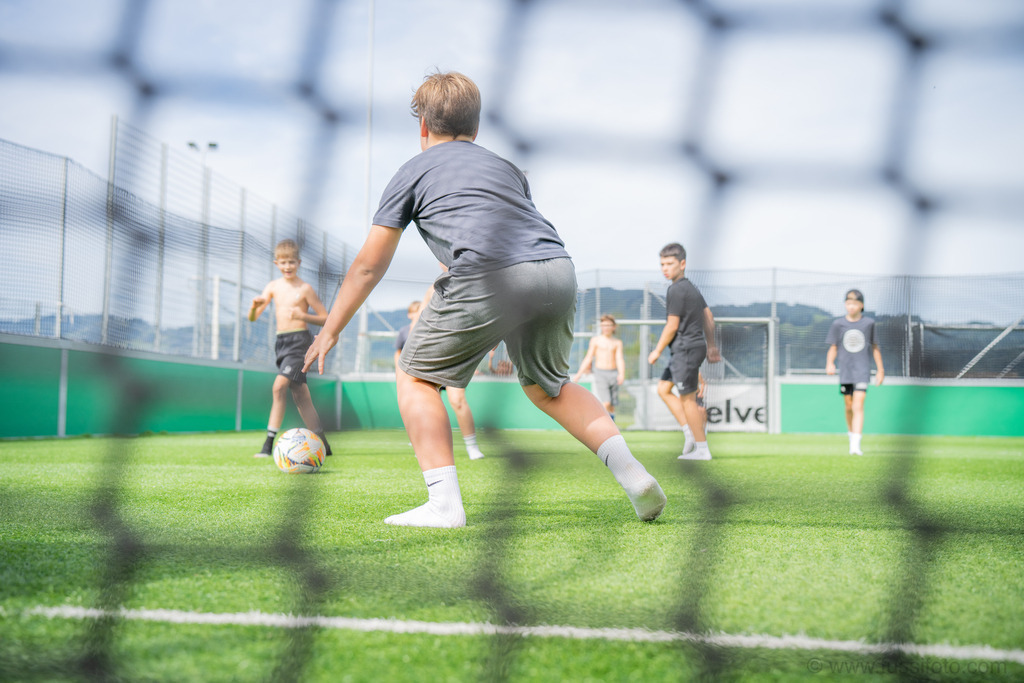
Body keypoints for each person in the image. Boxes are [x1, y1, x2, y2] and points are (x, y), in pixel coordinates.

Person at [304, 70, 665, 528]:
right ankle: (633, 475)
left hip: (490, 275)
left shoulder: (412, 170)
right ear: (475, 128)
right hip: (556, 268)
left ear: (422, 127)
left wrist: (331, 328)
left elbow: (369, 266)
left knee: (415, 378)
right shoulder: (505, 169)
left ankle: (443, 505)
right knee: (549, 387)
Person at [248, 239, 333, 458]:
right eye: (283, 262)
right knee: (301, 397)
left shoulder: (305, 288)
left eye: (292, 262)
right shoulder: (273, 286)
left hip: (300, 343)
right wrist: (254, 307)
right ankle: (324, 444)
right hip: (281, 343)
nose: (287, 267)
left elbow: (325, 318)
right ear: (276, 263)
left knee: (279, 387)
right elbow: (253, 318)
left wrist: (302, 315)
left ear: (299, 263)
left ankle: (268, 445)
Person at [647, 243, 720, 460]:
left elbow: (672, 325)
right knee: (663, 388)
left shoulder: (676, 289)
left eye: (670, 263)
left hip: (686, 349)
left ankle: (702, 448)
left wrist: (657, 350)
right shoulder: (691, 288)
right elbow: (708, 317)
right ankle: (690, 431)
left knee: (688, 399)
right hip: (687, 348)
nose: (665, 268)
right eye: (662, 264)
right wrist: (712, 345)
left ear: (683, 264)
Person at [396, 295, 485, 460]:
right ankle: (425, 444)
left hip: (452, 357)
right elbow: (399, 354)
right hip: (428, 364)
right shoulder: (409, 329)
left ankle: (472, 446)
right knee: (426, 404)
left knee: (458, 400)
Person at [826, 288, 885, 455]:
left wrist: (880, 370)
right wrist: (830, 363)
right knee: (849, 405)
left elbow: (875, 347)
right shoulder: (838, 324)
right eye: (848, 303)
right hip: (846, 371)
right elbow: (833, 347)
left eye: (855, 303)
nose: (851, 306)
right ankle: (851, 434)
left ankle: (855, 444)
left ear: (862, 305)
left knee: (859, 404)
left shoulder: (869, 324)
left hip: (862, 370)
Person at [572, 314, 625, 421]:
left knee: (612, 405)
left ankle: (612, 426)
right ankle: (605, 426)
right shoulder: (596, 340)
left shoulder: (617, 342)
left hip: (613, 374)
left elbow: (619, 359)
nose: (605, 328)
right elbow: (589, 357)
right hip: (600, 373)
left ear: (613, 327)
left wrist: (621, 373)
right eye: (603, 325)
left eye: (608, 325)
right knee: (606, 402)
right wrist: (579, 374)